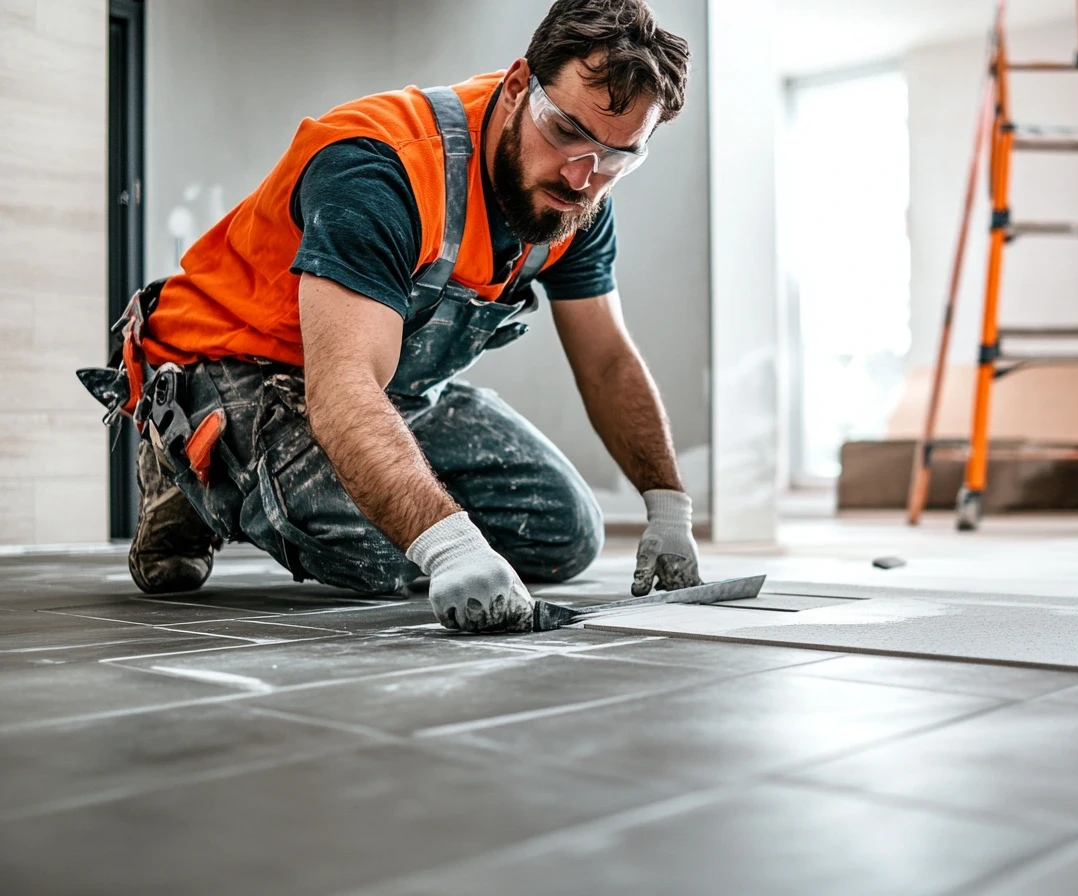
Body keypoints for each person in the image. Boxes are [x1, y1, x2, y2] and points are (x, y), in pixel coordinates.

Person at [79, 0, 699, 633]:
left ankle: (341, 485)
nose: (582, 174)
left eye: (617, 157)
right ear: (518, 87)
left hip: (385, 386)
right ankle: (189, 472)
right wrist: (450, 545)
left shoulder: (574, 198)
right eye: (564, 131)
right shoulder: (379, 167)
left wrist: (668, 505)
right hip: (236, 364)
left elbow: (607, 359)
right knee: (380, 554)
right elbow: (342, 385)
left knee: (564, 533)